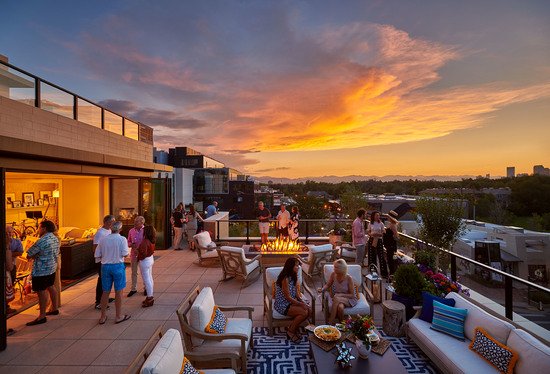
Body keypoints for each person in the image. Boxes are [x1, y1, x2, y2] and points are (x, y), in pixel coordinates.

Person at [95, 221, 131, 324]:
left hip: (105, 266)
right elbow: (125, 254)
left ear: (111, 228)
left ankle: (102, 317)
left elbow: (97, 254)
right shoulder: (122, 239)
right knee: (119, 291)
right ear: (120, 229)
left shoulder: (103, 239)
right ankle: (118, 316)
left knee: (105, 291)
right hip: (117, 266)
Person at [25, 220, 60, 326]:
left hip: (41, 270)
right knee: (51, 286)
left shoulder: (41, 240)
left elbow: (29, 254)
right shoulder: (55, 238)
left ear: (44, 228)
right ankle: (54, 308)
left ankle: (42, 316)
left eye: (39, 228)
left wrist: (35, 255)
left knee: (41, 291)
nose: (37, 230)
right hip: (51, 267)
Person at [273, 257, 311, 343]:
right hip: (282, 304)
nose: (298, 267)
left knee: (309, 310)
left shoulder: (294, 276)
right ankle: (290, 331)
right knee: (304, 312)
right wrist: (301, 305)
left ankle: (294, 327)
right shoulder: (285, 279)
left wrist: (302, 302)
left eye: (298, 265)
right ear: (290, 267)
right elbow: (288, 297)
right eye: (296, 266)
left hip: (291, 301)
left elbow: (296, 293)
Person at [318, 259, 357, 325]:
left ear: (342, 268)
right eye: (334, 267)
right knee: (340, 308)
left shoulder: (348, 278)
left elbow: (352, 295)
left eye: (336, 267)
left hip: (349, 299)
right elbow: (328, 285)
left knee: (336, 298)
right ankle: (342, 324)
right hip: (338, 298)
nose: (334, 269)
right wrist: (322, 289)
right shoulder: (333, 275)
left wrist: (340, 295)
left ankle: (330, 322)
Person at [92, 215, 116, 309]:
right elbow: (95, 248)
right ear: (107, 222)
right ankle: (98, 301)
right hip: (102, 261)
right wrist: (102, 258)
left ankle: (105, 297)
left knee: (107, 280)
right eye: (112, 222)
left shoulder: (109, 231)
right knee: (102, 280)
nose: (114, 223)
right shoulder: (100, 233)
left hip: (108, 260)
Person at [6, 225, 23, 313]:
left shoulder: (16, 242)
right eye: (6, 233)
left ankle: (6, 306)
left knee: (10, 285)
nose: (8, 234)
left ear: (13, 233)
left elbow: (20, 252)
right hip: (6, 268)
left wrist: (8, 254)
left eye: (10, 232)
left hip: (11, 267)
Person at [138, 225, 156, 307]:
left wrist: (138, 255)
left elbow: (143, 254)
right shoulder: (152, 240)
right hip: (150, 259)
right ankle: (150, 295)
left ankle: (149, 297)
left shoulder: (145, 241)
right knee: (149, 278)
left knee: (146, 280)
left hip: (145, 261)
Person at [127, 216, 145, 297]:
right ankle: (133, 289)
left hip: (143, 255)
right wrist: (131, 245)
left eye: (137, 221)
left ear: (142, 223)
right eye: (134, 221)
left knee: (144, 272)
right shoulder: (131, 231)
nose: (134, 222)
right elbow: (128, 242)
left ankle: (146, 288)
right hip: (134, 255)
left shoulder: (145, 231)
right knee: (134, 272)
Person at [367, 211, 388, 277]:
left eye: (378, 215)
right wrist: (371, 234)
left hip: (379, 240)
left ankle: (383, 272)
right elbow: (368, 231)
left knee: (381, 255)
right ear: (373, 216)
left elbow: (384, 232)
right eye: (376, 215)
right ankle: (373, 270)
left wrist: (379, 234)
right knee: (372, 255)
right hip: (372, 240)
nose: (377, 217)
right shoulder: (371, 223)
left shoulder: (381, 223)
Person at [384, 210, 399, 275]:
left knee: (390, 259)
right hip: (389, 244)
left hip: (391, 245)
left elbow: (396, 236)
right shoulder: (391, 224)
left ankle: (392, 273)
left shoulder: (393, 225)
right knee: (390, 259)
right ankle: (391, 272)